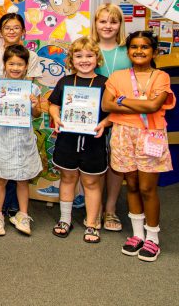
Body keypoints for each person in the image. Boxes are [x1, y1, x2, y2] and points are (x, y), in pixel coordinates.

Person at [102, 31, 175, 262]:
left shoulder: (160, 76)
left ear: (154, 51)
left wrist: (121, 101)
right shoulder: (117, 76)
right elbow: (106, 104)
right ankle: (137, 235)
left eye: (145, 47)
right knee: (131, 184)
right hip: (123, 134)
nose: (139, 51)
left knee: (147, 188)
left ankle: (153, 237)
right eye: (134, 47)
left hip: (150, 135)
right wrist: (137, 104)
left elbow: (154, 106)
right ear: (128, 51)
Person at [49, 37, 111, 243]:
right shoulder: (65, 81)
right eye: (79, 56)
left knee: (91, 182)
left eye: (89, 55)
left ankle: (92, 223)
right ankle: (65, 219)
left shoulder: (105, 84)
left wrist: (105, 123)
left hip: (93, 142)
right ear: (71, 60)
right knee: (67, 179)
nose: (84, 60)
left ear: (97, 58)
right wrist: (56, 116)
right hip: (67, 140)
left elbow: (113, 113)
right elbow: (53, 104)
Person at [0, 45, 42, 236]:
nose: (16, 68)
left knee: (23, 179)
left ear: (26, 66)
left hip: (24, 139)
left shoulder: (32, 88)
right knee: (1, 178)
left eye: (20, 64)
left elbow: (37, 114)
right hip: (4, 138)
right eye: (11, 64)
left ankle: (23, 214)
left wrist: (35, 105)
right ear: (5, 65)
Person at [91, 3, 131, 233]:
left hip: (120, 114)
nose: (108, 26)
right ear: (96, 23)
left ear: (120, 25)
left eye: (113, 21)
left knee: (116, 164)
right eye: (103, 21)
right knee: (94, 162)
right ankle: (94, 209)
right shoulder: (89, 48)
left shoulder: (127, 52)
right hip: (91, 114)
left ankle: (110, 208)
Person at [0, 12, 43, 78]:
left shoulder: (31, 56)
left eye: (16, 28)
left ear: (23, 31)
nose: (11, 31)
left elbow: (29, 82)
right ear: (0, 32)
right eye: (7, 28)